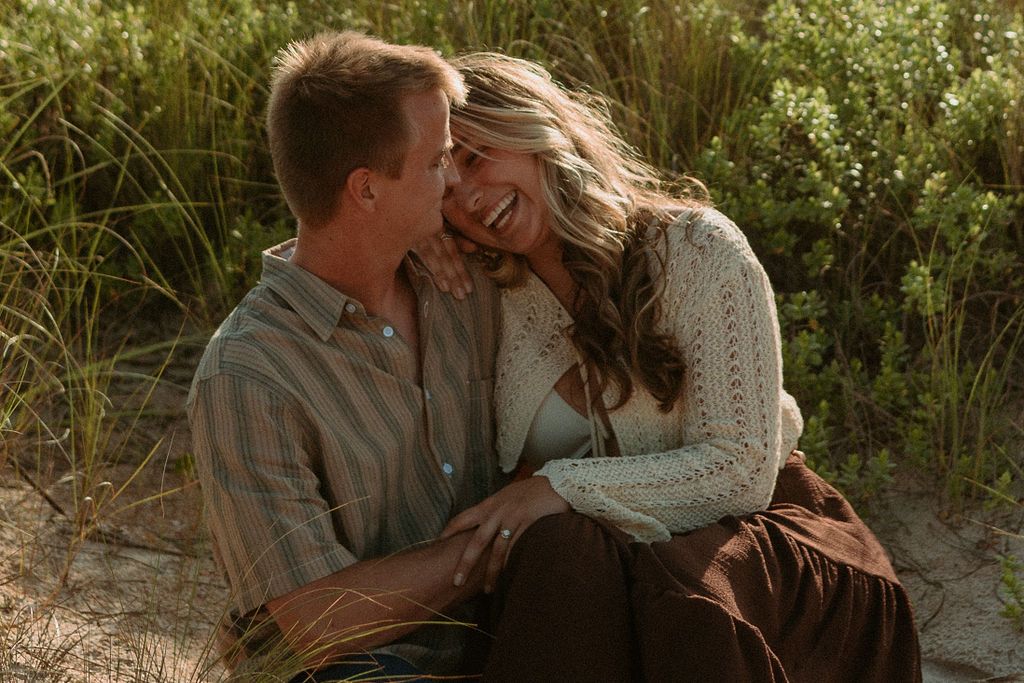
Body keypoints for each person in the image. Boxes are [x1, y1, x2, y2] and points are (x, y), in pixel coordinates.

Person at [418, 52, 922, 681]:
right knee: (562, 556)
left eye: (473, 157)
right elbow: (329, 242)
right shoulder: (485, 287)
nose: (467, 196)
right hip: (595, 570)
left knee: (670, 593)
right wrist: (411, 234)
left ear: (533, 128)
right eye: (442, 185)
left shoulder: (697, 249)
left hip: (750, 544)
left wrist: (555, 488)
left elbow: (740, 471)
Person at [187, 32, 506, 682]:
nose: (452, 179)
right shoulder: (245, 378)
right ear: (365, 190)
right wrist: (497, 540)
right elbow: (318, 623)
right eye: (435, 162)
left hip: (507, 645)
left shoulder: (470, 286)